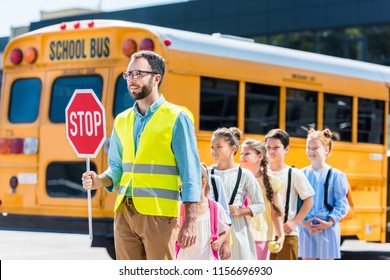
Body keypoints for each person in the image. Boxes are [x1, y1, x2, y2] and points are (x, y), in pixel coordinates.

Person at [81, 50, 201, 260]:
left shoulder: (177, 117)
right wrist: (99, 180)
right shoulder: (121, 119)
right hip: (124, 212)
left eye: (138, 73)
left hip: (159, 214)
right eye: (128, 75)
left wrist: (190, 220)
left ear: (156, 78)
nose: (131, 80)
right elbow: (116, 167)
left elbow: (191, 172)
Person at [209, 127, 265, 260]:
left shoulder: (245, 174)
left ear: (233, 149)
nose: (213, 151)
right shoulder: (208, 171)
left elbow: (260, 205)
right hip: (212, 230)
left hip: (238, 231)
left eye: (218, 147)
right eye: (212, 147)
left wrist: (240, 211)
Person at [299, 128, 350, 260]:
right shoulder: (300, 174)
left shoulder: (337, 175)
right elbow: (294, 202)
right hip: (306, 227)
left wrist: (330, 221)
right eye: (308, 147)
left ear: (326, 149)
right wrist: (303, 222)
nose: (310, 151)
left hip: (328, 227)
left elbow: (342, 203)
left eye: (315, 148)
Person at [264, 128, 315, 260]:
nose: (270, 151)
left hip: (288, 235)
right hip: (263, 234)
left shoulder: (294, 173)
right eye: (268, 147)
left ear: (286, 149)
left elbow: (309, 200)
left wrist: (295, 222)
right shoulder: (260, 172)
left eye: (276, 147)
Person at [239, 138, 285, 260]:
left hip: (261, 235)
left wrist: (281, 235)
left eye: (247, 154)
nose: (242, 157)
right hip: (238, 234)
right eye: (241, 154)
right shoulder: (236, 177)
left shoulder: (270, 181)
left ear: (260, 157)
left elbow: (276, 211)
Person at [176, 163, 230, 260]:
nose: (184, 190)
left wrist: (220, 241)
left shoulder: (216, 208)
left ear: (203, 183)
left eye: (189, 185)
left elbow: (226, 230)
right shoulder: (179, 207)